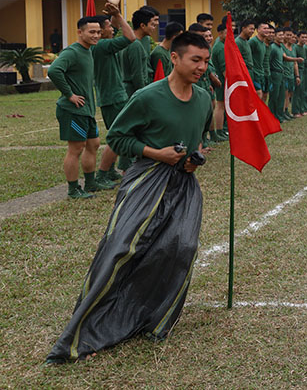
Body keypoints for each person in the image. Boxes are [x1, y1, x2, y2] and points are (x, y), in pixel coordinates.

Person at [46, 31, 214, 363]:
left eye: (206, 61)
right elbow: (119, 139)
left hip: (183, 184)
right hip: (147, 179)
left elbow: (197, 138)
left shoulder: (204, 98)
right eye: (196, 60)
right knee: (123, 247)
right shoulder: (148, 96)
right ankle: (86, 328)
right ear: (174, 58)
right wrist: (155, 152)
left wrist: (193, 158)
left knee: (180, 248)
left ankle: (151, 318)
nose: (201, 67)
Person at [48, 16, 117, 199]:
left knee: (93, 144)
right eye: (91, 32)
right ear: (80, 32)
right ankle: (73, 189)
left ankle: (91, 182)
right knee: (76, 148)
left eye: (98, 32)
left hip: (86, 111)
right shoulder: (72, 52)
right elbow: (54, 71)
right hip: (72, 111)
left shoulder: (89, 51)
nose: (96, 35)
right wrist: (69, 94)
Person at [92, 0, 137, 182]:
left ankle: (109, 171)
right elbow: (130, 37)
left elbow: (120, 30)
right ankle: (104, 173)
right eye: (109, 26)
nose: (113, 29)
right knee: (119, 135)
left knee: (119, 134)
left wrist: (115, 11)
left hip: (113, 96)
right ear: (101, 32)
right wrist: (117, 14)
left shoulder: (104, 45)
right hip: (112, 97)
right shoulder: (102, 46)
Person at [122, 7, 158, 98]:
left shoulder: (131, 41)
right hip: (133, 92)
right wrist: (143, 94)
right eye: (152, 25)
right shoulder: (135, 45)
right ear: (142, 26)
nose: (154, 28)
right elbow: (137, 74)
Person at [248, 22, 269, 101]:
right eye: (264, 28)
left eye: (267, 28)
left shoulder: (263, 43)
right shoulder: (253, 42)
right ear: (258, 30)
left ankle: (261, 113)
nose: (266, 30)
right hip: (254, 73)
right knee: (258, 94)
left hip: (261, 73)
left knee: (264, 95)